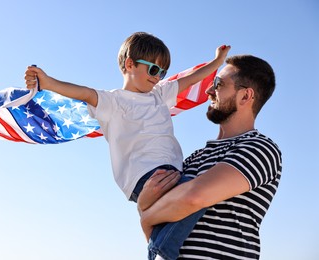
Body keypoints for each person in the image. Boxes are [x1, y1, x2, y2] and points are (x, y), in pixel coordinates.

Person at [24, 32, 230, 260]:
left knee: (184, 206)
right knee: (198, 193)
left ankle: (161, 246)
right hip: (145, 174)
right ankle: (161, 251)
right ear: (130, 64)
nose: (158, 77)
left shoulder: (159, 94)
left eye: (162, 72)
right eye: (153, 70)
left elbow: (191, 78)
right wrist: (48, 82)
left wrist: (217, 62)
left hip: (170, 171)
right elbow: (81, 92)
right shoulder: (114, 101)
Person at [138, 54, 282, 260]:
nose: (208, 90)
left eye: (218, 84)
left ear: (245, 97)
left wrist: (146, 216)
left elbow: (193, 197)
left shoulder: (260, 148)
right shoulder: (193, 158)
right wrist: (145, 208)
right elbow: (159, 235)